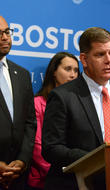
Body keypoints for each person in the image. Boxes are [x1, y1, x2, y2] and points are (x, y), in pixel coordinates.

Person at [42, 27, 110, 190]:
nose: (109, 60)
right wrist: (94, 160)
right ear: (84, 59)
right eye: (100, 54)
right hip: (75, 184)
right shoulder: (63, 96)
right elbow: (51, 148)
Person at [26, 52, 79, 190]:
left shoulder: (79, 105)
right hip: (44, 180)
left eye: (76, 70)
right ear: (54, 72)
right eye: (67, 69)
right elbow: (37, 145)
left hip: (75, 178)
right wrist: (59, 170)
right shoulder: (38, 103)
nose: (73, 75)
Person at [0, 16, 36, 190]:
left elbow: (30, 122)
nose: (5, 37)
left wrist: (22, 160)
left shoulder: (22, 74)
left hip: (18, 176)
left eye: (7, 31)